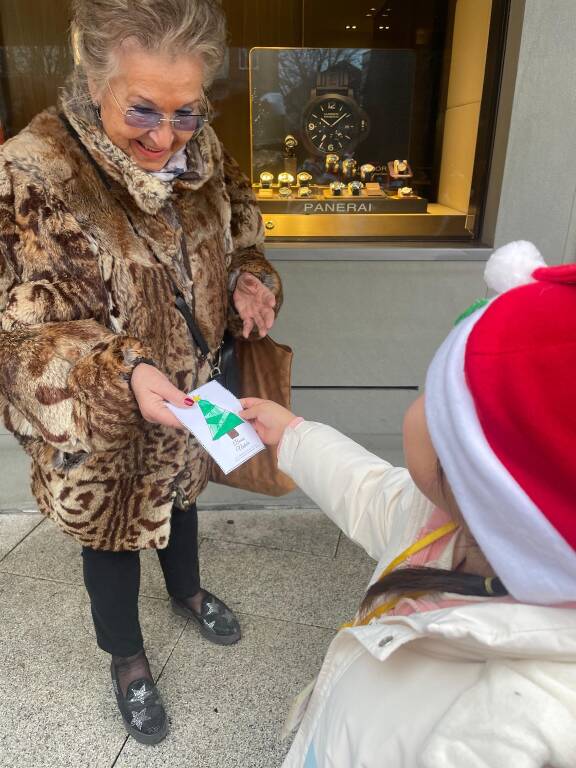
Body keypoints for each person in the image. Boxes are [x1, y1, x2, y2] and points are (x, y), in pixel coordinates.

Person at [0, 0, 282, 745]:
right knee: (113, 536)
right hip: (107, 417)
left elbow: (240, 215)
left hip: (196, 387)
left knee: (186, 498)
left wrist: (250, 274)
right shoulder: (36, 170)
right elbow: (26, 332)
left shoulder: (203, 142)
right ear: (97, 81)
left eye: (187, 111)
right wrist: (118, 379)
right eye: (144, 111)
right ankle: (126, 658)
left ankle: (187, 592)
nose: (166, 137)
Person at [241, 240, 576, 768]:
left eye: (436, 397)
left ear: (475, 468)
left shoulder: (518, 724)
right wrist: (293, 437)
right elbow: (373, 494)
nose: (419, 400)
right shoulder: (450, 522)